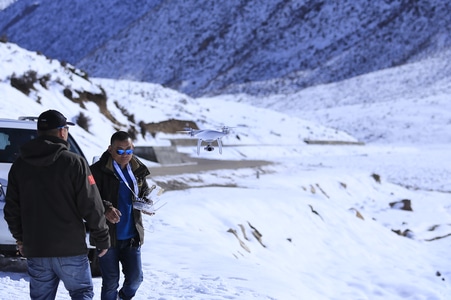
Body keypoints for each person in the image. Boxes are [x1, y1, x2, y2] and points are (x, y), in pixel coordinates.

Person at [4, 109, 110, 300]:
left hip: (36, 248)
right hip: (71, 249)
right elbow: (91, 204)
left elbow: (11, 208)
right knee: (81, 293)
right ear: (62, 132)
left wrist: (20, 239)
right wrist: (101, 237)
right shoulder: (74, 162)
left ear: (39, 132)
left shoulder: (20, 165)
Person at [90, 131, 152, 300]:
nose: (125, 155)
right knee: (110, 282)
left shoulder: (137, 169)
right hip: (107, 236)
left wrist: (147, 202)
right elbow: (88, 198)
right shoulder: (97, 170)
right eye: (120, 151)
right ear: (110, 149)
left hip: (132, 235)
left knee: (135, 279)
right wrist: (106, 208)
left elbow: (144, 191)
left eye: (129, 150)